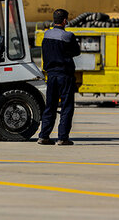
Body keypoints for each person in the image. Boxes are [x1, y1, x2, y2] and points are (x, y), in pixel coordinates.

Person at [37, 9, 80, 146]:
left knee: (50, 106)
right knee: (67, 107)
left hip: (51, 75)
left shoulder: (46, 35)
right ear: (65, 21)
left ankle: (44, 136)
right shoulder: (68, 36)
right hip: (64, 75)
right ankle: (62, 138)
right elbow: (76, 51)